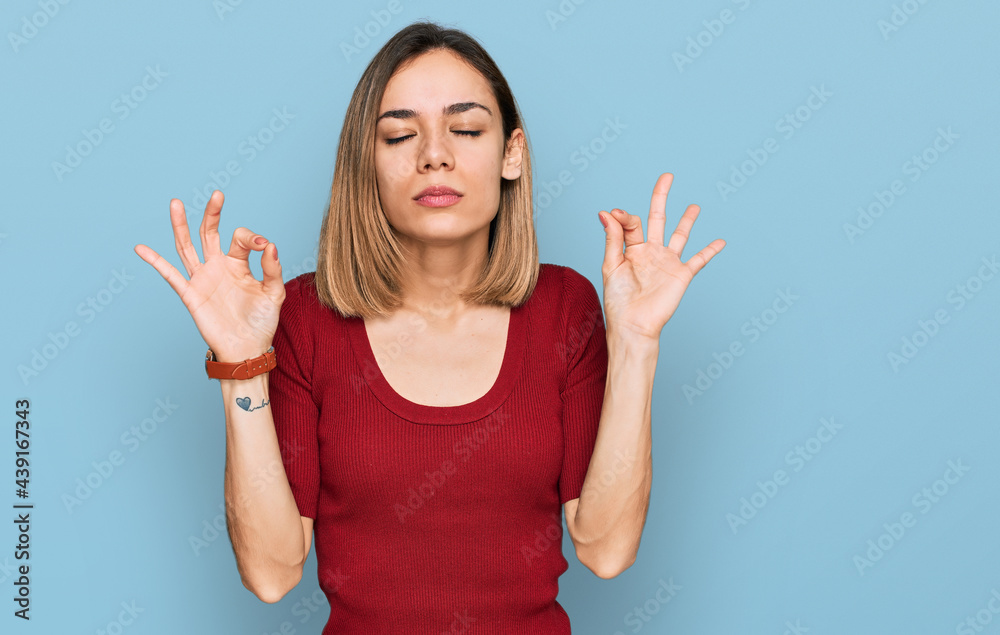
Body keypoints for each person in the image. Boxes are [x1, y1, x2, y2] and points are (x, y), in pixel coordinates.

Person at [134, 19, 724, 634]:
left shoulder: (565, 306)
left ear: (512, 154)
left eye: (465, 130)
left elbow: (606, 550)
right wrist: (240, 363)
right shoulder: (304, 317)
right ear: (367, 163)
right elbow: (271, 574)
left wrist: (636, 341)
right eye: (399, 135)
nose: (434, 155)